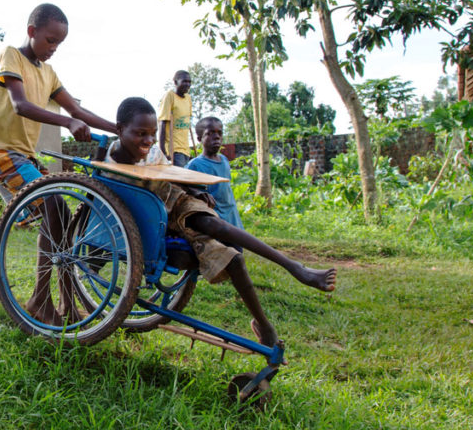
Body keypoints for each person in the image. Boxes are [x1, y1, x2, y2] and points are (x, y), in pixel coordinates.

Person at [106, 97, 336, 347]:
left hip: (174, 200)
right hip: (152, 218)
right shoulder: (107, 161)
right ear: (120, 130)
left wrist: (194, 192)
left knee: (222, 236)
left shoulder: (152, 153)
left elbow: (171, 175)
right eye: (141, 134)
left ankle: (291, 276)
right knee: (225, 247)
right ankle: (278, 301)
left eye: (152, 134)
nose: (149, 141)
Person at [0, 3, 117, 324]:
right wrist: (66, 125)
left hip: (24, 155)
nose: (54, 48)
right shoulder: (11, 56)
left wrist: (117, 128)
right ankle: (41, 300)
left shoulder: (49, 72)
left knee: (63, 217)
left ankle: (65, 302)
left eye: (59, 44)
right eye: (50, 40)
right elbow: (20, 104)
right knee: (54, 206)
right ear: (32, 32)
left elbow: (77, 112)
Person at [185, 117, 242, 229]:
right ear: (199, 138)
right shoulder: (195, 165)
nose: (216, 137)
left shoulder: (224, 160)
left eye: (219, 133)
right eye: (210, 134)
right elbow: (185, 189)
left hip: (232, 216)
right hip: (216, 222)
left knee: (238, 245)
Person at [158, 70, 193, 167]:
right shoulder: (170, 96)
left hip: (185, 149)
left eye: (189, 82)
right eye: (184, 81)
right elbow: (162, 123)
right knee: (179, 180)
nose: (187, 84)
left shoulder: (188, 98)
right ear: (175, 82)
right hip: (174, 149)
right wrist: (162, 151)